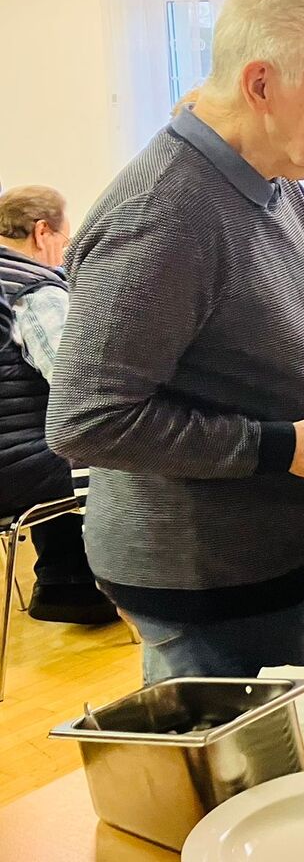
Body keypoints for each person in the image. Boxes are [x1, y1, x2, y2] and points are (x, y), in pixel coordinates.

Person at [46, 0, 304, 681]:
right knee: (236, 753)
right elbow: (87, 420)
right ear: (260, 84)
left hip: (262, 557)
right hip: (201, 574)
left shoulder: (276, 181)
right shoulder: (164, 211)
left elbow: (271, 328)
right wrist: (284, 449)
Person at [0, 185, 116, 624]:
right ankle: (84, 584)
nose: (64, 256)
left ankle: (63, 578)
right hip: (13, 471)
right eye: (65, 242)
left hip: (11, 462)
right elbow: (78, 382)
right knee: (109, 437)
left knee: (53, 432)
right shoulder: (33, 291)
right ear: (41, 232)